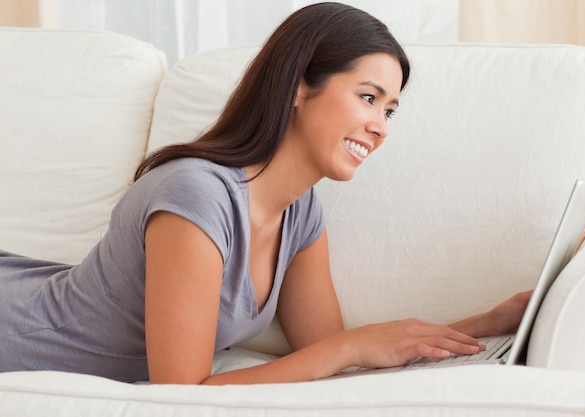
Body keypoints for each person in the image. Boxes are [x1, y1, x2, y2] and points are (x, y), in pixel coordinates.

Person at [0, 2, 531, 385]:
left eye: (389, 110)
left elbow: (328, 349)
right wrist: (347, 347)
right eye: (368, 98)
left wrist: (487, 323)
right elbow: (181, 395)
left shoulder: (300, 212)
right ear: (299, 85)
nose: (381, 126)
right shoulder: (195, 195)